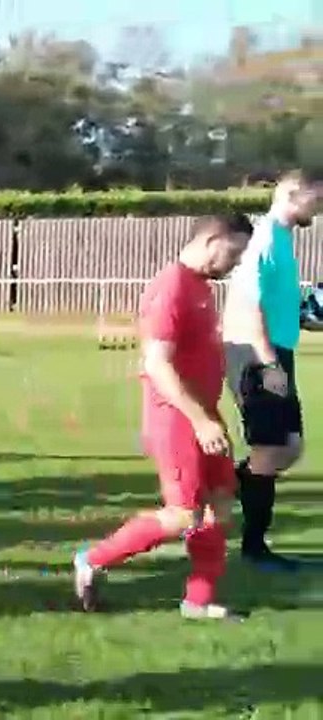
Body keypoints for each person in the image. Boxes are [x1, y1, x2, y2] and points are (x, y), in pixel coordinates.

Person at [74, 214, 255, 619]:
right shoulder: (171, 286)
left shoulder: (202, 288)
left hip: (204, 415)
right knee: (181, 515)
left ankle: (198, 601)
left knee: (221, 502)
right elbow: (157, 364)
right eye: (235, 252)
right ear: (213, 240)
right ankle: (92, 559)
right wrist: (199, 419)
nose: (237, 262)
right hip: (175, 417)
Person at [221, 171, 319, 572]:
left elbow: (279, 307)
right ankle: (254, 549)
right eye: (317, 199)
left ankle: (222, 485)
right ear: (292, 195)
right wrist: (269, 362)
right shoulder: (263, 238)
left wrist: (309, 317)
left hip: (275, 350)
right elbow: (249, 305)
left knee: (289, 447)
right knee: (271, 448)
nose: (321, 207)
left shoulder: (282, 240)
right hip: (254, 353)